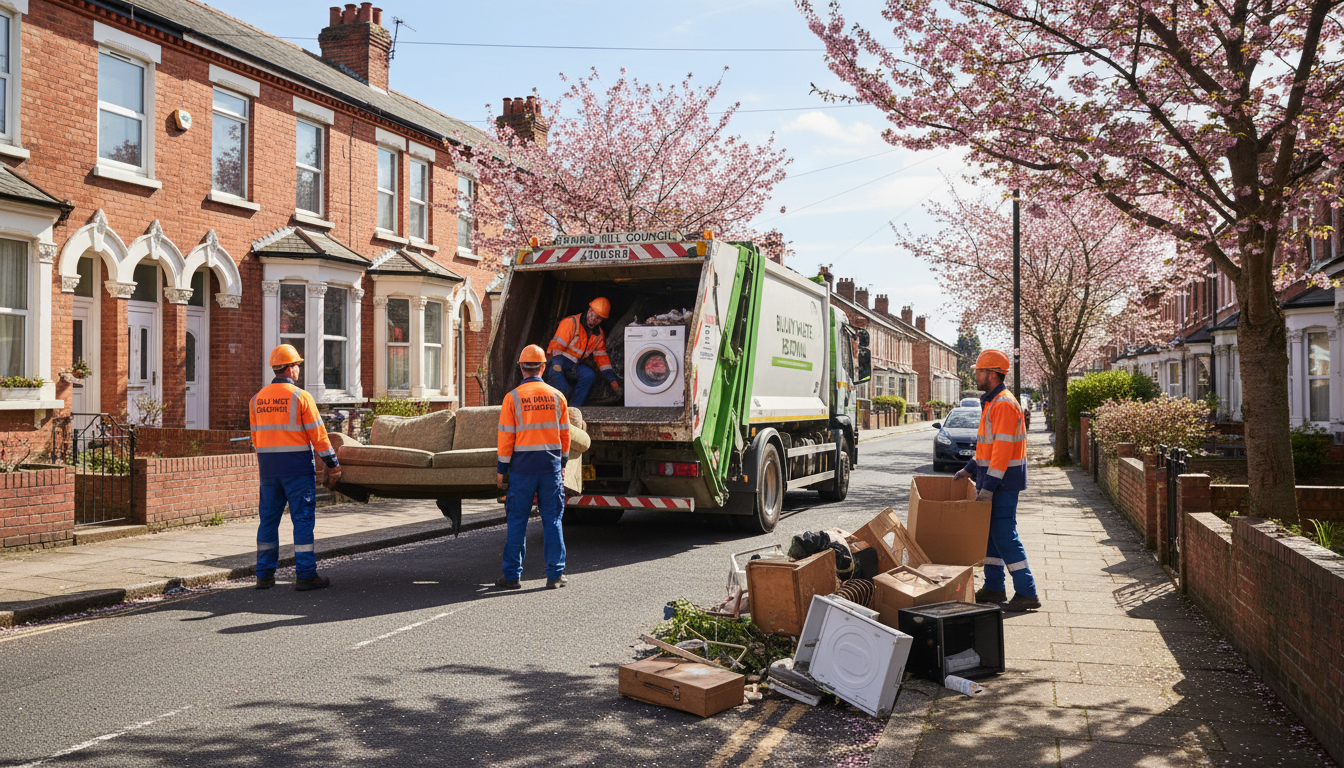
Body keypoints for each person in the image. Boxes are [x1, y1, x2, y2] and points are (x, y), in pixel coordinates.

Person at [954, 349, 1040, 611]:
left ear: (991, 374)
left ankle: (1027, 592)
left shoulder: (1002, 404)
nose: (976, 375)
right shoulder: (993, 402)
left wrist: (988, 487)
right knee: (991, 536)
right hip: (995, 481)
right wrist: (969, 468)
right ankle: (994, 588)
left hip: (1001, 484)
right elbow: (987, 448)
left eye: (979, 371)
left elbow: (1001, 454)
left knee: (1004, 536)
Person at [249, 344, 339, 591]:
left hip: (268, 471)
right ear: (290, 368)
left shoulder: (256, 399)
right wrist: (333, 464)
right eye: (297, 365)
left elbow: (256, 439)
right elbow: (319, 436)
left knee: (268, 522)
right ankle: (306, 575)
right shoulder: (301, 397)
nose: (299, 369)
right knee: (302, 522)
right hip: (297, 470)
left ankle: (264, 576)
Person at [497, 344, 571, 590]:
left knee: (517, 520)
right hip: (550, 469)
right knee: (552, 520)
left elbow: (506, 438)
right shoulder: (557, 396)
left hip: (522, 469)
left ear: (521, 367)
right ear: (543, 366)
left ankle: (512, 577)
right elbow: (565, 436)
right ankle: (555, 576)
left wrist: (501, 471)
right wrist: (562, 465)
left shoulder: (512, 398)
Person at [546, 297, 620, 406]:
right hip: (557, 362)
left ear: (602, 320)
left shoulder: (598, 334)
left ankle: (574, 409)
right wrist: (558, 371)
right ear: (589, 309)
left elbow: (602, 358)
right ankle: (553, 411)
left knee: (589, 375)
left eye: (598, 318)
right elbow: (555, 350)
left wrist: (612, 380)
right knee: (563, 388)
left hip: (574, 365)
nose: (593, 319)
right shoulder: (570, 323)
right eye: (592, 313)